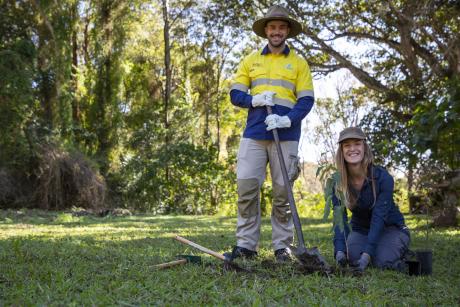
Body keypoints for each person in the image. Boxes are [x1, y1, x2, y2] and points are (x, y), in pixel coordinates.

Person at [225, 5, 314, 262]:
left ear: (287, 31)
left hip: (285, 136)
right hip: (254, 133)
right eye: (272, 27)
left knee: (282, 193)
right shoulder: (251, 60)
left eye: (281, 27)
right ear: (266, 30)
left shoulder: (298, 63)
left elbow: (306, 100)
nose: (276, 31)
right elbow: (235, 94)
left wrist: (287, 119)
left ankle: (282, 247)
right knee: (246, 187)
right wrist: (253, 100)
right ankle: (246, 245)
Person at [332, 127, 410, 272]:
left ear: (364, 147)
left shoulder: (383, 178)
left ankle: (400, 252)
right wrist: (340, 251)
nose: (352, 149)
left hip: (390, 229)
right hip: (361, 230)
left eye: (357, 144)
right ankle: (374, 251)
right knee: (353, 258)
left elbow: (379, 218)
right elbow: (339, 219)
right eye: (347, 145)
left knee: (380, 261)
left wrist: (367, 255)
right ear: (341, 151)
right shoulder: (337, 182)